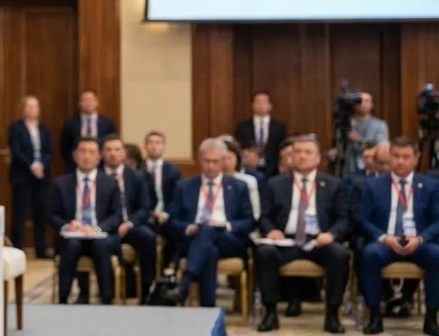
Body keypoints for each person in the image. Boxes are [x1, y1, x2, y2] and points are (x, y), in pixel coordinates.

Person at [255, 135, 350, 333]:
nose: (302, 156)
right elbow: (263, 216)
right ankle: (270, 313)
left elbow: (344, 218)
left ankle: (332, 315)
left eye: (308, 152)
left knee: (340, 255)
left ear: (318, 158)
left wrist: (332, 234)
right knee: (265, 253)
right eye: (298, 152)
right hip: (286, 240)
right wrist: (271, 230)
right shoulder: (275, 183)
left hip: (319, 241)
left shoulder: (333, 184)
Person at [358, 137, 439, 335]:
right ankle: (375, 317)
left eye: (406, 157)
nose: (400, 161)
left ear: (416, 158)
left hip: (419, 243)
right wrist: (383, 237)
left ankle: (431, 318)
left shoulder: (430, 186)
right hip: (386, 242)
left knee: (437, 255)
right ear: (390, 157)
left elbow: (437, 221)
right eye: (396, 156)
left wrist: (421, 238)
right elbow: (363, 220)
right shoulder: (374, 186)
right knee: (369, 254)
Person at [169, 137, 255, 308]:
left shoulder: (239, 187)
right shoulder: (184, 186)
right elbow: (173, 220)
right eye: (207, 161)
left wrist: (227, 226)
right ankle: (208, 308)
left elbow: (249, 221)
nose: (210, 166)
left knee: (208, 231)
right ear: (200, 160)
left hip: (228, 239)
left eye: (215, 161)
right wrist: (189, 228)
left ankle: (185, 284)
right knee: (209, 250)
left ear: (223, 161)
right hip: (194, 239)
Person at [51, 137, 122, 305]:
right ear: (75, 156)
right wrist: (68, 225)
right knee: (71, 245)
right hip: (73, 235)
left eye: (91, 152)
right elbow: (52, 215)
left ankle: (107, 298)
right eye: (82, 152)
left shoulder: (110, 183)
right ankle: (63, 298)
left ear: (99, 157)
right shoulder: (61, 183)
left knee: (101, 246)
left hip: (99, 234)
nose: (86, 156)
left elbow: (117, 215)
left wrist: (97, 228)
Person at [102, 134, 157, 304]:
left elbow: (145, 207)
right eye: (108, 150)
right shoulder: (96, 176)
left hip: (131, 226)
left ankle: (147, 290)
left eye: (117, 149)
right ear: (102, 154)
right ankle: (103, 293)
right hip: (105, 227)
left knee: (148, 237)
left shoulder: (137, 177)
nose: (113, 154)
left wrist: (129, 223)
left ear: (123, 153)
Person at [8, 94, 53, 257]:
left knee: (41, 212)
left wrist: (42, 165)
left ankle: (41, 248)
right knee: (20, 213)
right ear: (23, 109)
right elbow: (17, 151)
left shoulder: (44, 129)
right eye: (29, 106)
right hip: (23, 175)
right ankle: (18, 248)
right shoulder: (16, 128)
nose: (33, 109)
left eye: (35, 106)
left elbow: (49, 151)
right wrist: (31, 166)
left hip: (41, 176)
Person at [59, 90, 117, 173]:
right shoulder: (71, 124)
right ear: (79, 104)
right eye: (85, 100)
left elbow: (112, 143)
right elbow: (64, 147)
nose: (88, 103)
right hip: (76, 167)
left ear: (97, 103)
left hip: (102, 166)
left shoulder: (107, 123)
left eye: (91, 100)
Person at [235, 91, 288, 173]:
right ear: (252, 105)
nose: (261, 105)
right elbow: (239, 147)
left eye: (264, 102)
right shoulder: (242, 127)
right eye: (258, 102)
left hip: (273, 168)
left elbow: (283, 146)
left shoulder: (279, 126)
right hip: (250, 167)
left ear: (270, 106)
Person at [342, 92, 389, 178]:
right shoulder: (346, 124)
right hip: (349, 167)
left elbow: (383, 147)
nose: (363, 104)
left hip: (371, 169)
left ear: (372, 105)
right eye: (360, 101)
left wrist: (359, 141)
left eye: (367, 101)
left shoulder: (380, 125)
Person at [144, 131, 181, 232]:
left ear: (163, 146)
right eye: (151, 143)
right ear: (145, 146)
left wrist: (165, 214)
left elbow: (176, 197)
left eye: (158, 143)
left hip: (167, 215)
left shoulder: (173, 171)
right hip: (146, 215)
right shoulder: (138, 170)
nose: (154, 146)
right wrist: (152, 212)